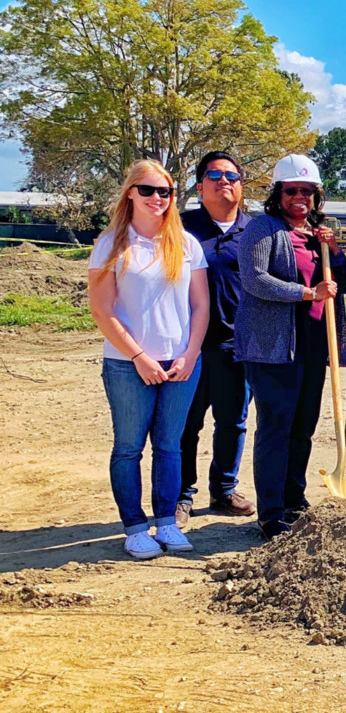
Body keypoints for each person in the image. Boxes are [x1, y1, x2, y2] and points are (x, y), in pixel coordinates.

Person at [87, 160, 209, 559]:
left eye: (165, 192)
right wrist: (138, 357)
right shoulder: (111, 245)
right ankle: (135, 527)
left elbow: (201, 306)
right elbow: (103, 311)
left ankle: (167, 523)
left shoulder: (185, 243)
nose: (157, 198)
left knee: (170, 446)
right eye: (148, 190)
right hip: (127, 365)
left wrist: (190, 354)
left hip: (180, 364)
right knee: (128, 447)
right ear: (130, 193)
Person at [237, 155, 346, 539]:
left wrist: (335, 252)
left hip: (313, 346)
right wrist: (307, 293)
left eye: (307, 191)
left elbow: (344, 281)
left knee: (302, 427)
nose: (299, 197)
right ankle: (270, 512)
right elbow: (255, 279)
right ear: (279, 193)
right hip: (273, 348)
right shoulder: (263, 229)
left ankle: (293, 498)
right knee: (275, 427)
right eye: (292, 191)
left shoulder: (317, 233)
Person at [177, 151, 255, 526]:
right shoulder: (179, 228)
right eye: (214, 175)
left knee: (232, 422)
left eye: (232, 176)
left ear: (242, 186)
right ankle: (180, 495)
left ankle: (223, 489)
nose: (225, 181)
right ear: (199, 185)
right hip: (186, 344)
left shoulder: (256, 231)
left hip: (237, 347)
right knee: (186, 423)